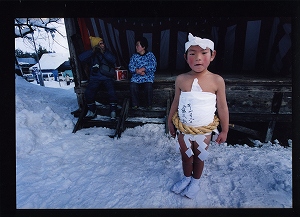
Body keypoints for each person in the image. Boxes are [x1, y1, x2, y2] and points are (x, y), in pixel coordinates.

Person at [168, 33, 229, 199]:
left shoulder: (217, 80)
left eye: (203, 53)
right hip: (184, 129)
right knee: (186, 156)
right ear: (185, 57)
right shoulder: (181, 79)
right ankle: (186, 178)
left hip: (204, 132)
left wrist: (224, 130)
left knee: (199, 157)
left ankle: (195, 181)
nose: (198, 58)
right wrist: (170, 121)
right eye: (192, 53)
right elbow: (176, 102)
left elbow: (222, 107)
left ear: (213, 55)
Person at [78, 36, 118, 120]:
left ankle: (113, 111)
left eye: (102, 43)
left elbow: (113, 60)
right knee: (88, 93)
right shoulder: (92, 54)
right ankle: (93, 110)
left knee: (112, 91)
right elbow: (81, 58)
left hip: (107, 77)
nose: (102, 45)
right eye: (100, 43)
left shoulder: (106, 52)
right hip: (95, 78)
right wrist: (92, 51)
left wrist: (103, 52)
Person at [128, 36, 157, 109]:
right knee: (133, 86)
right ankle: (135, 105)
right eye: (136, 45)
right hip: (137, 77)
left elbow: (153, 66)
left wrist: (143, 69)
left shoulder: (150, 55)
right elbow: (130, 66)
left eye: (138, 45)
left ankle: (148, 105)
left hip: (147, 77)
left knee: (148, 86)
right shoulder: (134, 56)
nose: (136, 47)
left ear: (143, 47)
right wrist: (137, 71)